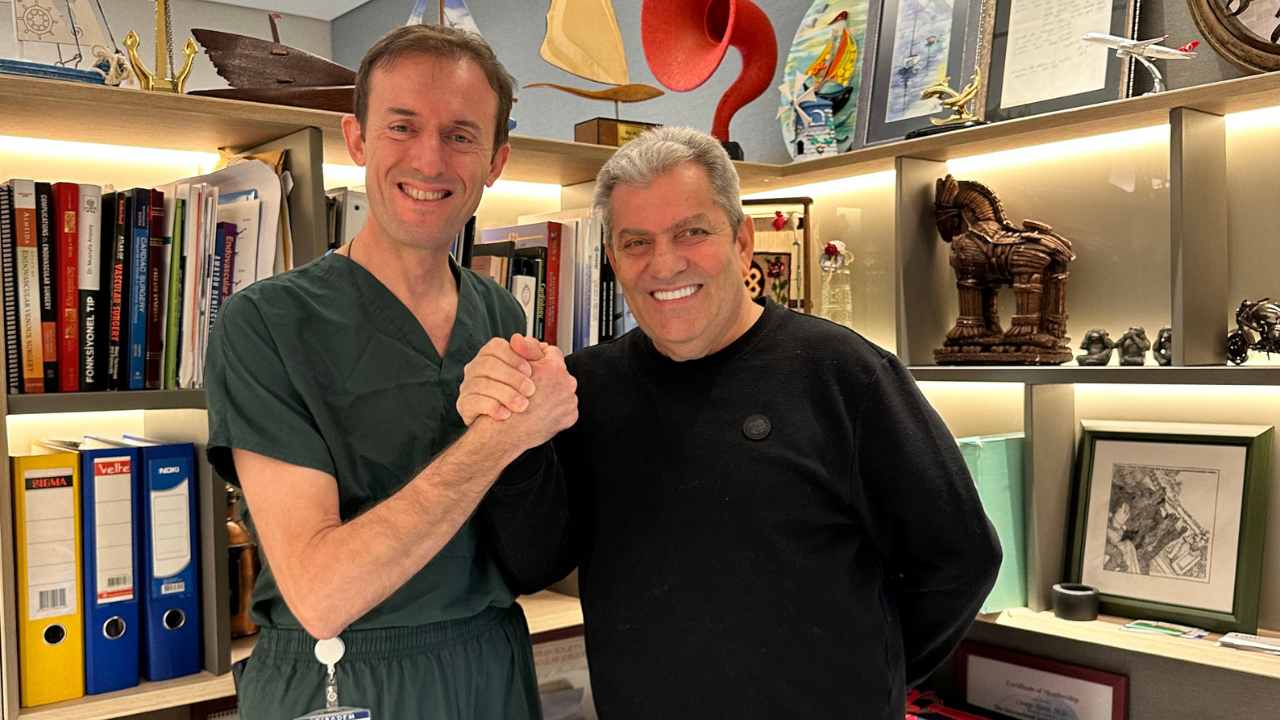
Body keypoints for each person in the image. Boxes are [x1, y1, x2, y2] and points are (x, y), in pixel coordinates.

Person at [463, 127, 1003, 719]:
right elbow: (535, 564)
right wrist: (513, 436)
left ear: (743, 241)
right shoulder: (584, 388)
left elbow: (960, 560)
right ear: (613, 260)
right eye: (636, 242)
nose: (665, 263)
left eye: (691, 232)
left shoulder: (844, 374)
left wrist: (874, 675)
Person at [204, 24, 577, 720]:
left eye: (461, 135)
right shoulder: (265, 325)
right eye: (402, 126)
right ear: (357, 140)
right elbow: (322, 595)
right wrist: (499, 438)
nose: (430, 160)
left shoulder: (500, 314)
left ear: (495, 161)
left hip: (492, 667)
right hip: (341, 680)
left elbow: (529, 547)